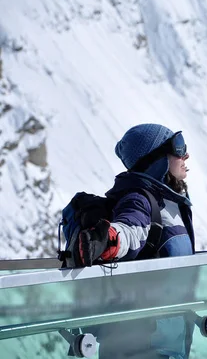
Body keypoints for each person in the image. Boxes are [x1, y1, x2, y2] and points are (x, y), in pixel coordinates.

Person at [78, 123, 196, 359]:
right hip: (137, 349)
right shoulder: (139, 199)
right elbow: (130, 229)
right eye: (178, 146)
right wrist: (108, 239)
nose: (185, 154)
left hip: (164, 347)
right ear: (157, 159)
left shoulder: (169, 201)